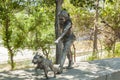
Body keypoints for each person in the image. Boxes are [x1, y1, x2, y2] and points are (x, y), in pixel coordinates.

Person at [58, 9, 76, 73]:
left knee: (64, 51)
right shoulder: (61, 22)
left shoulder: (69, 22)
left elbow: (65, 31)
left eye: (62, 18)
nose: (60, 20)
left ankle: (60, 67)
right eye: (59, 19)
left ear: (65, 17)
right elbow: (61, 30)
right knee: (68, 51)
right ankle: (70, 62)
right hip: (65, 38)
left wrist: (59, 38)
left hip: (70, 38)